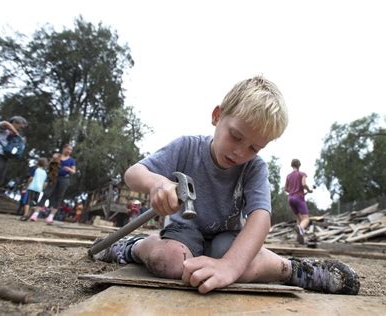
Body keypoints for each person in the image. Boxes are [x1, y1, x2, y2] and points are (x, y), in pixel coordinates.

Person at [91, 76, 360, 295]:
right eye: (235, 136)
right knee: (169, 262)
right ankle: (128, 246)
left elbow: (260, 218)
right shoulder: (187, 147)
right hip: (183, 232)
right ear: (217, 116)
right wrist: (157, 183)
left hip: (226, 239)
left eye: (254, 147)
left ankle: (298, 271)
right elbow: (133, 172)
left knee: (241, 266)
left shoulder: (254, 168)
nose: (240, 152)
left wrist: (229, 267)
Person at [44, 144, 76, 225]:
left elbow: (73, 171)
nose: (69, 151)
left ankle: (51, 216)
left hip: (64, 179)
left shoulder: (72, 160)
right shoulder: (57, 156)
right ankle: (36, 213)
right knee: (47, 193)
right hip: (54, 177)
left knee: (59, 196)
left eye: (70, 150)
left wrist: (69, 169)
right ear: (64, 149)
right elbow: (50, 166)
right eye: (68, 149)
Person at [285, 159, 313, 244]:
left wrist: (293, 191)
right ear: (299, 165)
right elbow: (304, 184)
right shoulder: (302, 174)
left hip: (290, 198)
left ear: (291, 165)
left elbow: (286, 188)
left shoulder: (288, 176)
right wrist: (309, 190)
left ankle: (299, 237)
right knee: (306, 219)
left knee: (299, 218)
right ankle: (300, 229)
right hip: (299, 198)